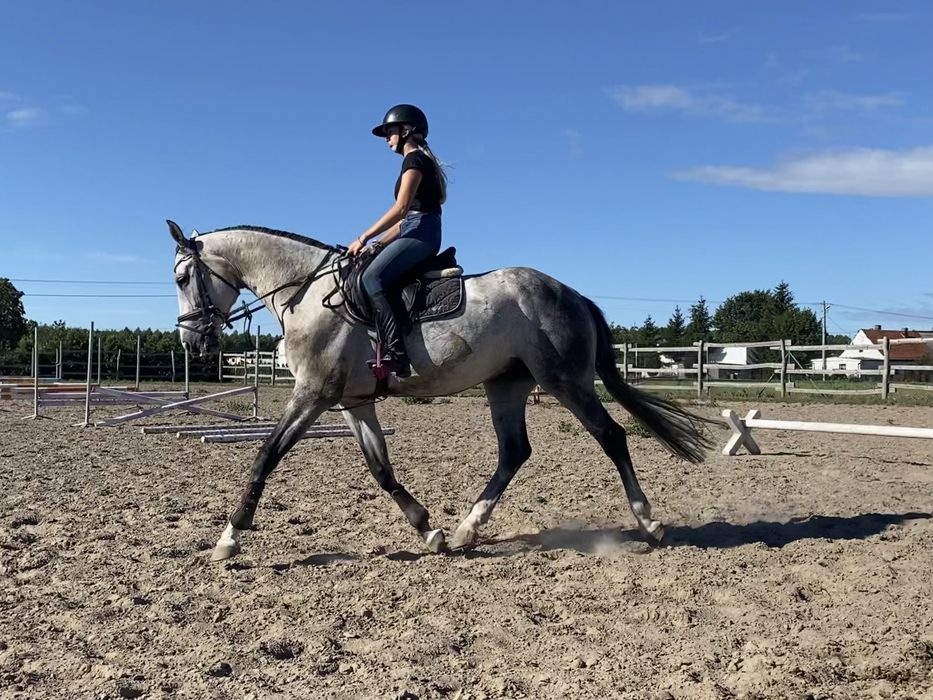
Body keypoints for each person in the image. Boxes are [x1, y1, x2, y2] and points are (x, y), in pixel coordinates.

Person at [347, 104, 447, 378]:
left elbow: (401, 209)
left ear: (406, 130)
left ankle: (397, 354)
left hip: (422, 233)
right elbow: (405, 220)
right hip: (414, 229)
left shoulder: (414, 160)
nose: (387, 138)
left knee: (371, 279)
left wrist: (363, 236)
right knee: (371, 271)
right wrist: (376, 245)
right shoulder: (415, 161)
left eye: (390, 132)